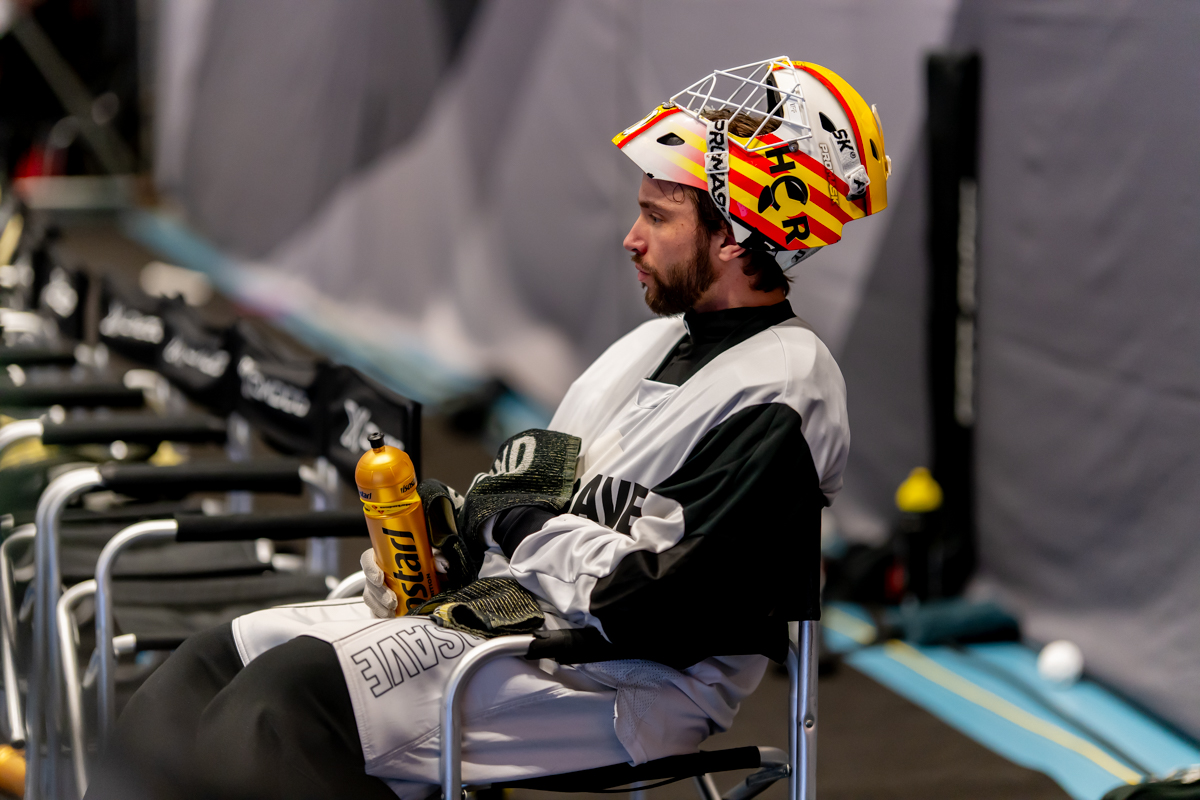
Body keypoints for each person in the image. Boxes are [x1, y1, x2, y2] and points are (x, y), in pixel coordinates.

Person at [84, 57, 889, 800]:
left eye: (657, 215)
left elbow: (667, 607)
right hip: (519, 620)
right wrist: (455, 542)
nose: (632, 238)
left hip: (626, 677)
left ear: (735, 235)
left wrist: (515, 524)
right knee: (203, 667)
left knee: (280, 708)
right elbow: (534, 506)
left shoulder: (787, 384)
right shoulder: (647, 346)